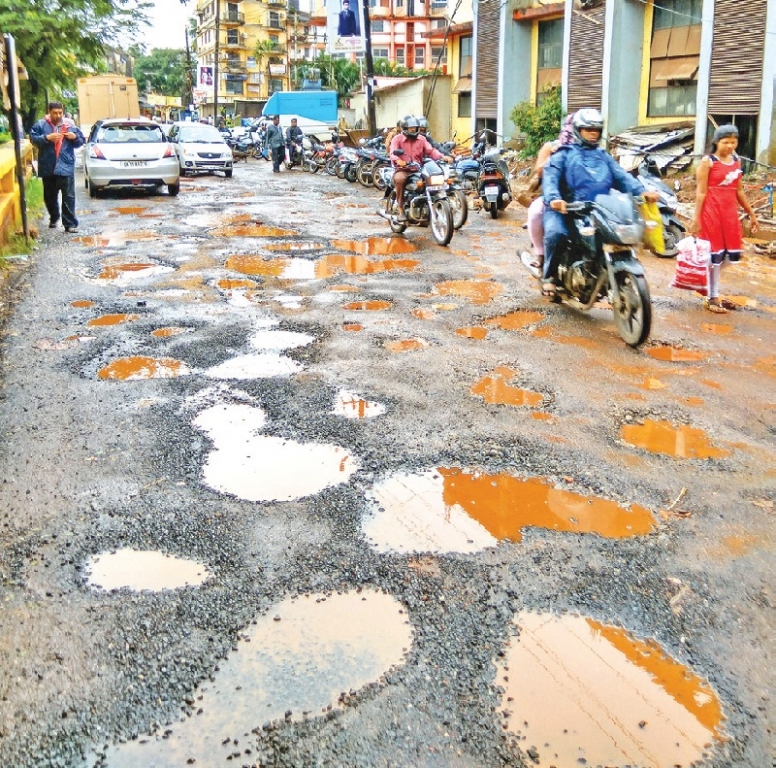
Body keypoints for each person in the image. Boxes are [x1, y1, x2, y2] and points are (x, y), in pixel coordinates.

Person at [541, 108, 659, 297]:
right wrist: (555, 198)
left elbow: (622, 177)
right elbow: (550, 178)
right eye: (588, 130)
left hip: (597, 209)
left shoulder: (603, 156)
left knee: (615, 234)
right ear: (578, 131)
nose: (593, 134)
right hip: (566, 209)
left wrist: (642, 191)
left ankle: (601, 271)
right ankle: (550, 276)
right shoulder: (562, 154)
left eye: (596, 130)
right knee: (557, 234)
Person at [690, 124, 759, 313]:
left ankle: (708, 286)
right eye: (725, 141)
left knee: (729, 256)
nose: (729, 145)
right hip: (711, 212)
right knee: (714, 258)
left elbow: (739, 191)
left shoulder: (736, 161)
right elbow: (701, 193)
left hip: (729, 214)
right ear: (716, 142)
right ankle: (712, 296)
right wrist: (696, 219)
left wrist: (751, 214)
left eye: (733, 141)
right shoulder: (708, 162)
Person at [520, 113, 575, 271]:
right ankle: (540, 253)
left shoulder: (588, 149)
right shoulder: (551, 146)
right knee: (536, 213)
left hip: (580, 197)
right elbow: (539, 170)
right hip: (552, 195)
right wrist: (554, 156)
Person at [29, 101, 85, 233]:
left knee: (68, 196)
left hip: (66, 166)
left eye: (60, 112)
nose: (58, 115)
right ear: (49, 112)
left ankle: (69, 224)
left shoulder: (70, 126)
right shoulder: (41, 125)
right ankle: (54, 217)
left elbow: (81, 141)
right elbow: (32, 138)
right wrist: (47, 138)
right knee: (50, 196)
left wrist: (75, 137)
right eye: (55, 113)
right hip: (48, 166)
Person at [389, 115, 452, 221]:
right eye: (411, 128)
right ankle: (400, 208)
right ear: (405, 128)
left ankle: (427, 205)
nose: (413, 129)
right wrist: (398, 160)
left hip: (418, 169)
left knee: (431, 180)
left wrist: (442, 156)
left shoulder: (421, 139)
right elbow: (392, 153)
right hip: (403, 169)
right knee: (400, 179)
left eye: (415, 127)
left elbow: (431, 151)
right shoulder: (397, 139)